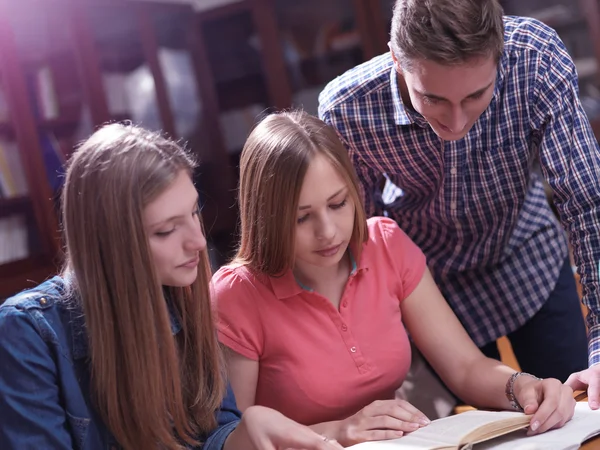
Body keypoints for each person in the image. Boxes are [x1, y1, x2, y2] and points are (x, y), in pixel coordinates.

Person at [212, 110, 575, 447]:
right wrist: (340, 431)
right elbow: (234, 439)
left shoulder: (384, 245)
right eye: (301, 218)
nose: (328, 232)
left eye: (338, 204)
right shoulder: (236, 294)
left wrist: (522, 386)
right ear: (267, 217)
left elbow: (465, 367)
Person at [317, 0, 600, 401]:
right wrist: (375, 359)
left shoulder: (536, 59)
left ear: (499, 55)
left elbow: (588, 203)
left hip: (528, 257)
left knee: (579, 412)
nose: (456, 123)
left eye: (474, 96)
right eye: (433, 99)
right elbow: (358, 246)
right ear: (397, 59)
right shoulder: (347, 110)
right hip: (431, 292)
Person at [0, 123, 343, 450]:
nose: (197, 241)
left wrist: (242, 436)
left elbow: (212, 431)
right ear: (109, 242)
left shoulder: (186, 296)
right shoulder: (27, 334)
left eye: (195, 212)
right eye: (166, 230)